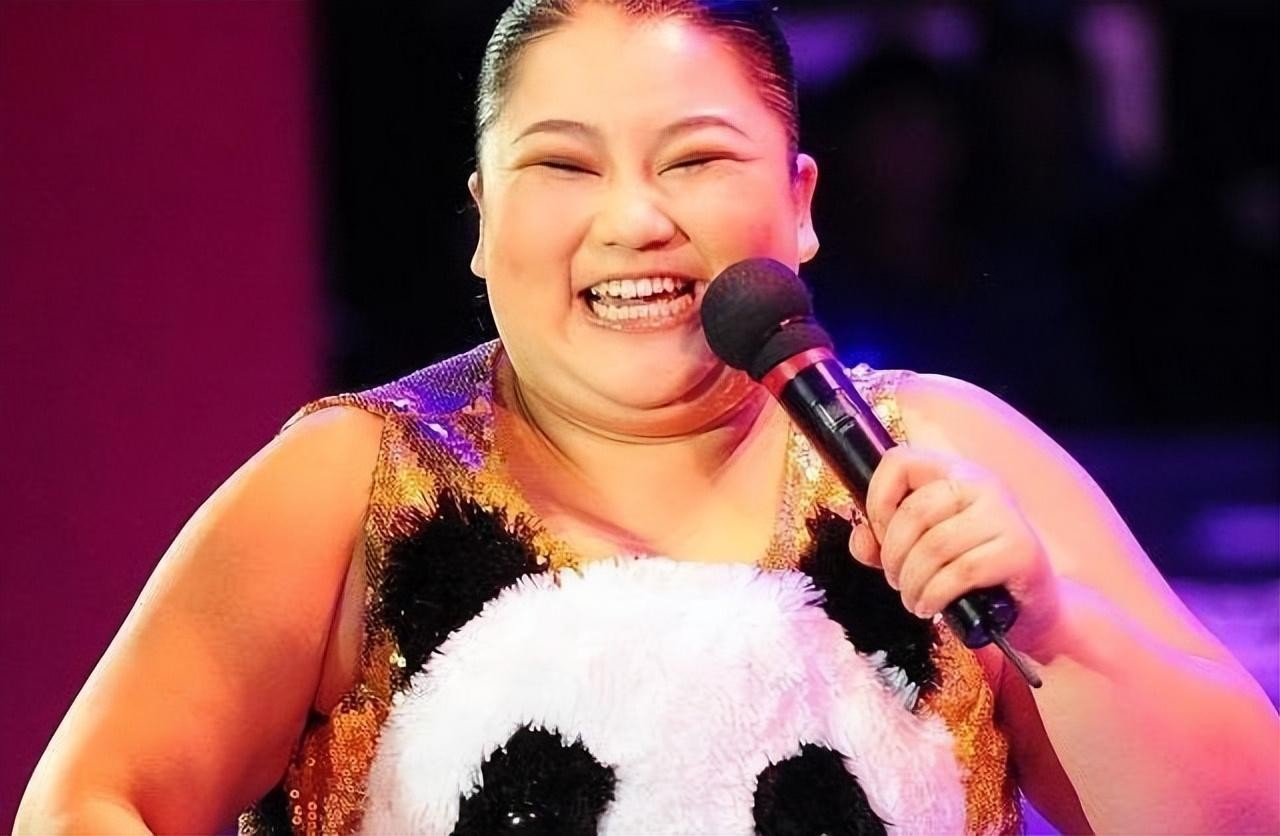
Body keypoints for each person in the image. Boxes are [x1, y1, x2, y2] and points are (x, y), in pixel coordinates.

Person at [15, 1, 1279, 833]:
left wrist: (1056, 621)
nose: (632, 220)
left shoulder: (937, 451)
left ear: (799, 202)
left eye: (693, 159)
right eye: (563, 165)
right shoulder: (345, 480)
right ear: (482, 218)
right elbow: (90, 802)